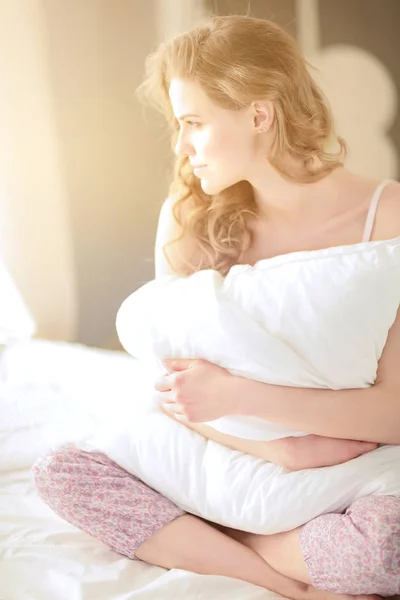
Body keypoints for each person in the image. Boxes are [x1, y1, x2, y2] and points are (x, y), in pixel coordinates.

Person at [33, 15, 400, 599]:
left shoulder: (387, 220)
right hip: (226, 448)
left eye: (194, 124)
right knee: (64, 472)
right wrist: (277, 446)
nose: (182, 146)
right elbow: (172, 389)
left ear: (260, 115)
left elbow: (393, 411)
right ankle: (289, 581)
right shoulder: (187, 220)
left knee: (389, 547)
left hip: (347, 461)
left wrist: (251, 401)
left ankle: (224, 538)